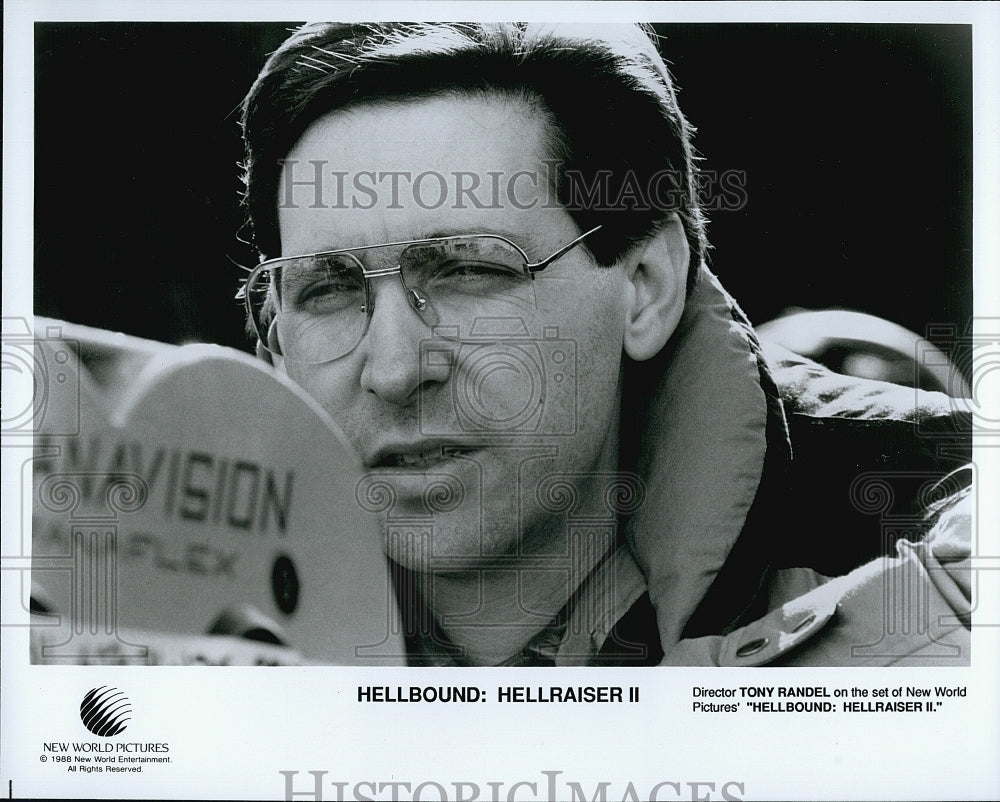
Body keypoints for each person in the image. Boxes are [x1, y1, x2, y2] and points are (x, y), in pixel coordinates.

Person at [236, 22, 972, 666]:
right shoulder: (162, 566)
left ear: (647, 286)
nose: (394, 369)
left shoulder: (933, 492)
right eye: (327, 289)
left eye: (469, 270)